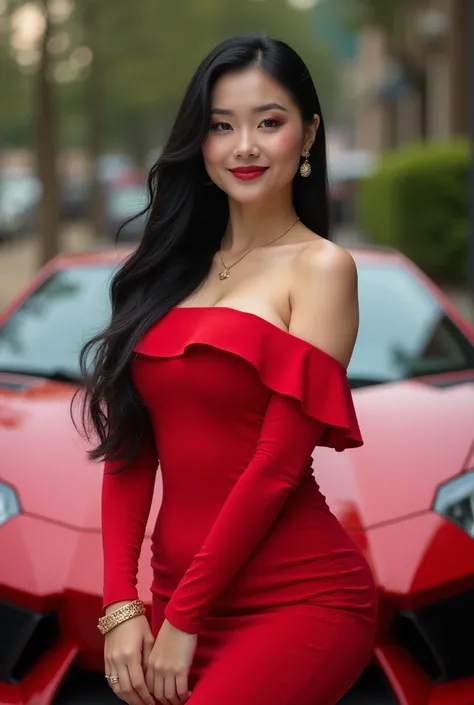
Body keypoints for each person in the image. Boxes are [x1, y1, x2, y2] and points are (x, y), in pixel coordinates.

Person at [79, 35, 377, 705]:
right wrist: (121, 604)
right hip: (175, 597)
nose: (244, 145)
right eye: (222, 125)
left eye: (269, 122)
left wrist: (183, 618)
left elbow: (275, 467)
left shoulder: (322, 268)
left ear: (309, 136)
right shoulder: (163, 272)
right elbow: (129, 448)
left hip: (298, 598)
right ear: (200, 141)